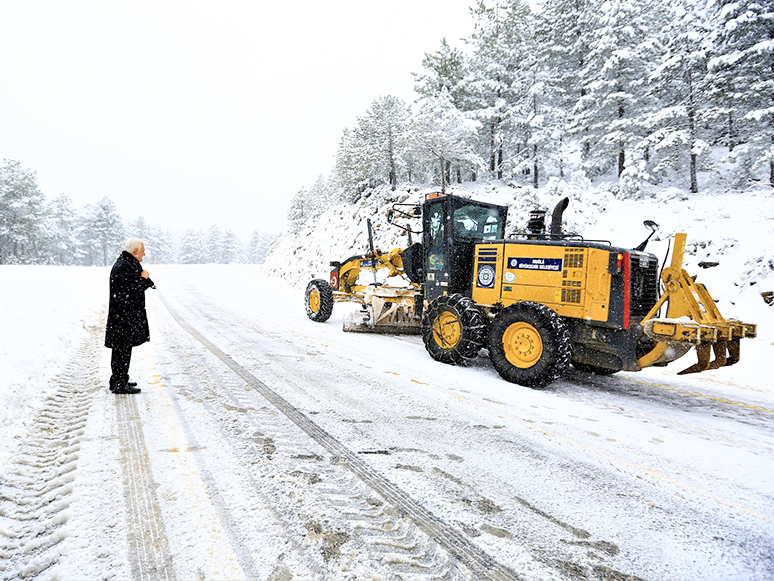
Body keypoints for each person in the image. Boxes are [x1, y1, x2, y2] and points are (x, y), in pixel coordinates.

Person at [105, 238, 155, 394]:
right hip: (122, 318)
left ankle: (119, 379)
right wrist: (144, 278)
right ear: (135, 251)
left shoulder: (127, 263)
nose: (144, 254)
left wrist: (144, 279)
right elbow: (132, 290)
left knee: (122, 350)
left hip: (124, 317)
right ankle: (119, 384)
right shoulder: (124, 266)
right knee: (121, 351)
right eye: (143, 250)